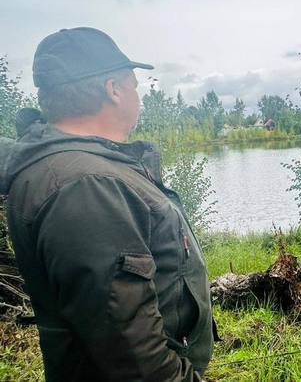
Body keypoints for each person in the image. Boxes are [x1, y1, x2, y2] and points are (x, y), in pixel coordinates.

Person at [0, 27, 215, 381]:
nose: (137, 96)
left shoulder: (86, 167)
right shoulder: (86, 185)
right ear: (113, 90)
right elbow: (130, 350)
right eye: (133, 84)